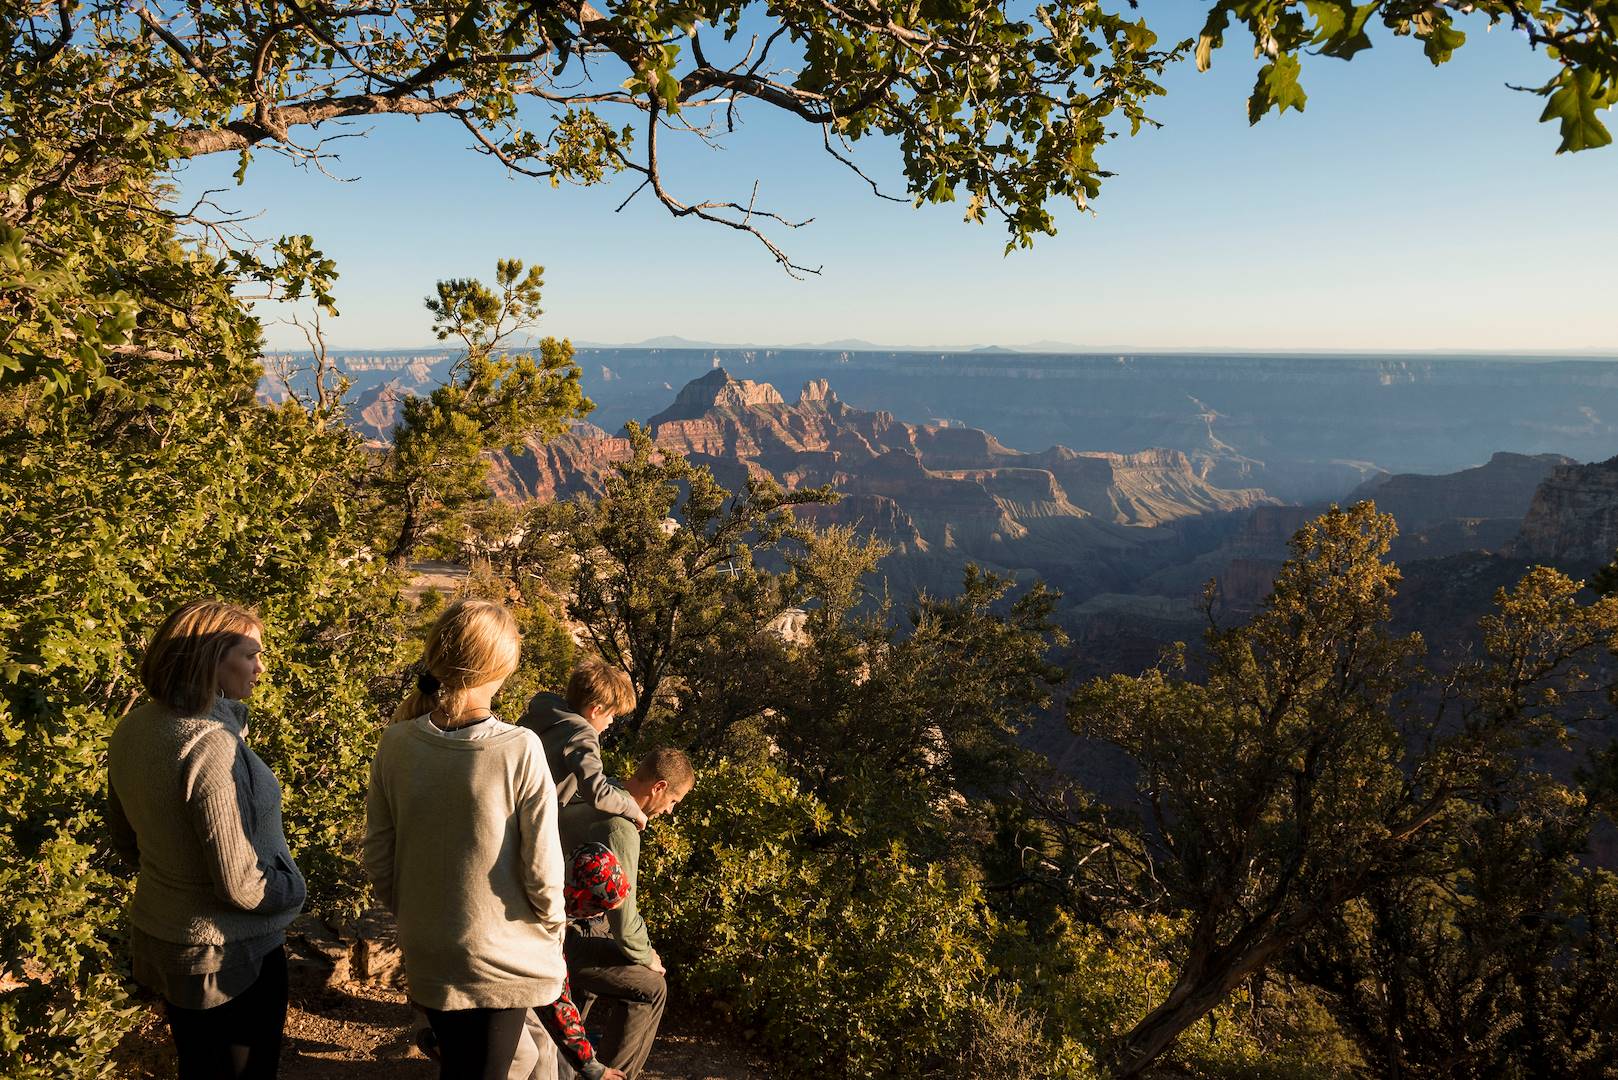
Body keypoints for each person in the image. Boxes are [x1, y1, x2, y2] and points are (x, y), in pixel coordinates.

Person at [364, 599, 570, 1080]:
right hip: (501, 949)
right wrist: (552, 928)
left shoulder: (396, 743)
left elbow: (379, 853)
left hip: (429, 944)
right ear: (503, 665)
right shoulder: (519, 748)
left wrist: (416, 912)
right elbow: (542, 868)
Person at [107, 599, 305, 1080]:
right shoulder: (210, 742)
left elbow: (124, 840)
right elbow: (240, 885)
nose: (261, 668)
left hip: (171, 943)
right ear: (212, 658)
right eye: (250, 654)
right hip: (230, 953)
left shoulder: (135, 726)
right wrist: (292, 890)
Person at [557, 748, 696, 1080]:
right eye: (674, 801)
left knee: (606, 951)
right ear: (659, 787)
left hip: (551, 919)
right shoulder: (621, 827)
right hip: (564, 935)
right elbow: (623, 913)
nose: (670, 811)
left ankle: (573, 1064)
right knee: (651, 988)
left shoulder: (597, 793)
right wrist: (647, 955)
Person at [521, 660, 646, 831]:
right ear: (595, 710)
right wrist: (633, 809)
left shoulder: (547, 711)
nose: (611, 721)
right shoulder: (582, 734)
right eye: (612, 714)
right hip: (530, 821)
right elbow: (597, 792)